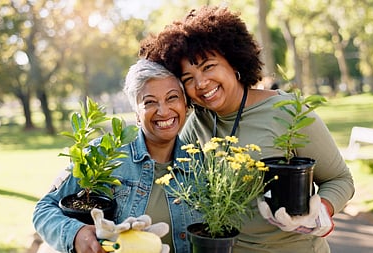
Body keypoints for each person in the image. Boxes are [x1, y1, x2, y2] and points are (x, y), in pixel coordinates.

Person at [140, 6, 355, 253]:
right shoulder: (196, 123)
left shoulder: (287, 111)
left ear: (233, 62)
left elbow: (340, 179)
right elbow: (167, 181)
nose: (201, 83)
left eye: (208, 66)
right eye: (188, 78)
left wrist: (320, 212)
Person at [33, 59, 201, 253]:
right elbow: (44, 209)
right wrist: (77, 234)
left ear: (185, 104)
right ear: (137, 114)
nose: (163, 111)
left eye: (172, 98)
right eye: (149, 102)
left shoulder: (201, 163)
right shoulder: (104, 153)